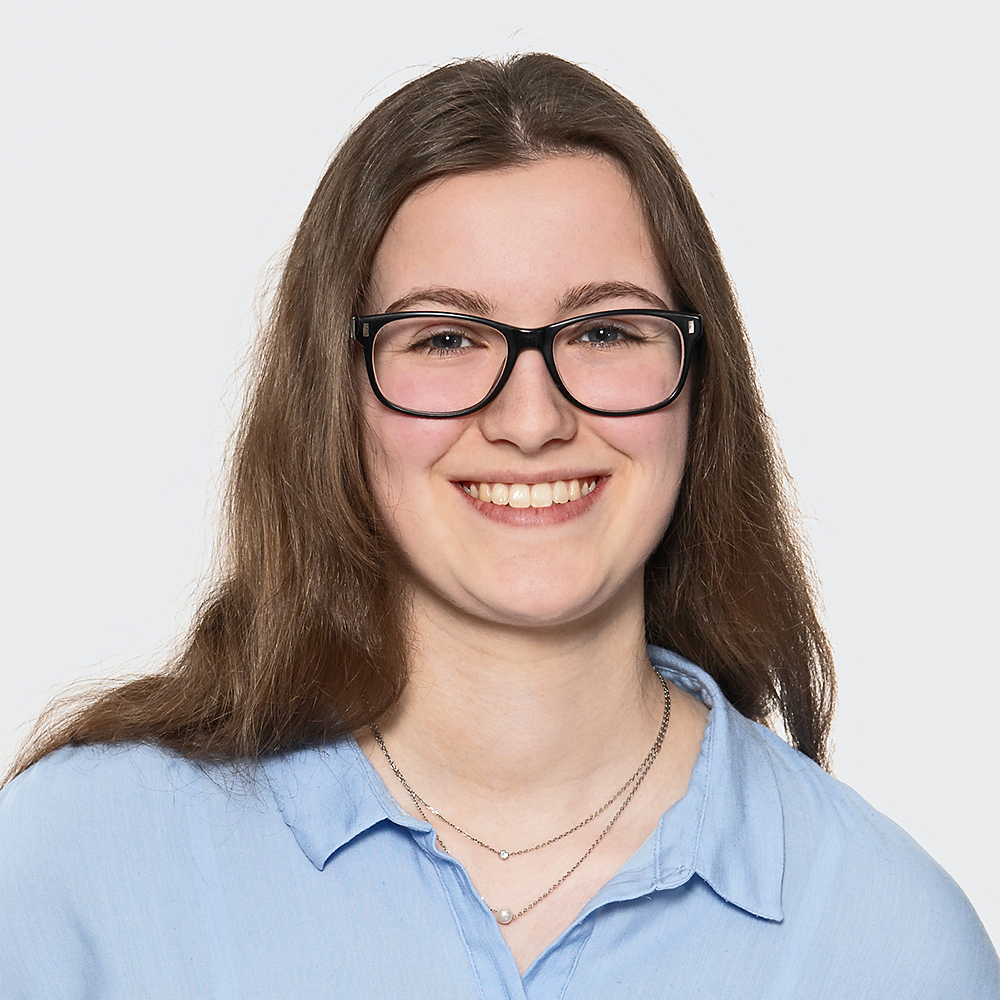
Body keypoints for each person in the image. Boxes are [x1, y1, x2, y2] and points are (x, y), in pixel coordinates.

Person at [1, 53, 997, 998]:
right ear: (333, 398)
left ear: (701, 385)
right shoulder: (73, 869)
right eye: (445, 337)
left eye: (604, 330)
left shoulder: (892, 943)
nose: (531, 419)